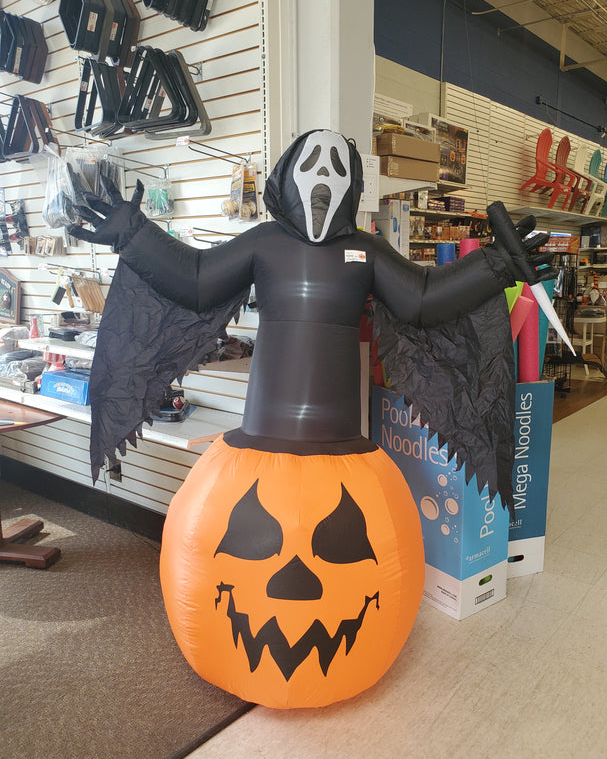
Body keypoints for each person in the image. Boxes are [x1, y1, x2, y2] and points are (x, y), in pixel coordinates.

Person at [69, 129, 553, 506]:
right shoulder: (264, 243)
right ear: (287, 176)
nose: (323, 176)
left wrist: (497, 266)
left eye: (336, 166)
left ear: (352, 184)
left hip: (340, 438)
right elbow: (196, 281)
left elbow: (422, 301)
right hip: (262, 433)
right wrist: (134, 234)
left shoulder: (367, 251)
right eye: (312, 164)